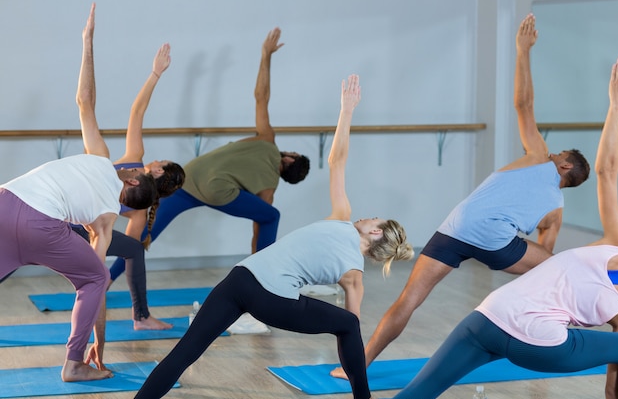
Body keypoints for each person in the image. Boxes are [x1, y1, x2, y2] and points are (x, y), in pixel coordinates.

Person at [332, 13, 590, 379]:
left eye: (559, 155)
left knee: (409, 299)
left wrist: (522, 51)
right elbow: (544, 263)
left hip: (456, 227)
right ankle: (550, 336)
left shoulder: (538, 156)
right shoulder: (556, 209)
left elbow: (523, 105)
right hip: (497, 242)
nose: (552, 154)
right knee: (554, 266)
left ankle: (356, 366)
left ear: (565, 168)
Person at [134, 75, 414, 399]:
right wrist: (346, 110)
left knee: (185, 352)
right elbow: (351, 331)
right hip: (265, 296)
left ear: (375, 231)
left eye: (373, 218)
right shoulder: (353, 269)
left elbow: (337, 162)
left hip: (241, 278)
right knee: (349, 325)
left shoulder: (343, 224)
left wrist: (347, 110)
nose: (367, 216)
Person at [391, 53, 618, 399]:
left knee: (416, 394)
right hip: (536, 340)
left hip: (488, 318)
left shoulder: (614, 245)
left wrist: (616, 105)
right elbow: (607, 171)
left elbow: (607, 174)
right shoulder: (617, 249)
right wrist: (616, 107)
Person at [0, 3, 158, 382]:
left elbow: (84, 101)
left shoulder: (101, 158)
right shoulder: (102, 221)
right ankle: (73, 363)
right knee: (93, 278)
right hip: (39, 224)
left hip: (5, 202)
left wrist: (87, 43)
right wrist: (98, 345)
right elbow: (96, 284)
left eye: (134, 169)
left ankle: (77, 362)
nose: (131, 164)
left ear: (132, 181)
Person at [107, 26, 310, 291]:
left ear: (290, 160)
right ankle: (261, 279)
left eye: (292, 153)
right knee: (271, 215)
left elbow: (261, 97)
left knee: (146, 233)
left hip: (188, 177)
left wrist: (265, 55)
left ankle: (107, 279)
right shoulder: (269, 187)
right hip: (215, 191)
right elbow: (259, 227)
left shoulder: (267, 138)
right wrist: (256, 257)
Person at [73, 39, 185, 331]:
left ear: (157, 170)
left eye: (160, 161)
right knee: (134, 249)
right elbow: (126, 251)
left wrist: (156, 75)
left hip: (76, 221)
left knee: (133, 249)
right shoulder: (142, 209)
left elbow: (137, 112)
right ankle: (141, 316)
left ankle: (141, 316)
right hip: (78, 220)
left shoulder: (134, 163)